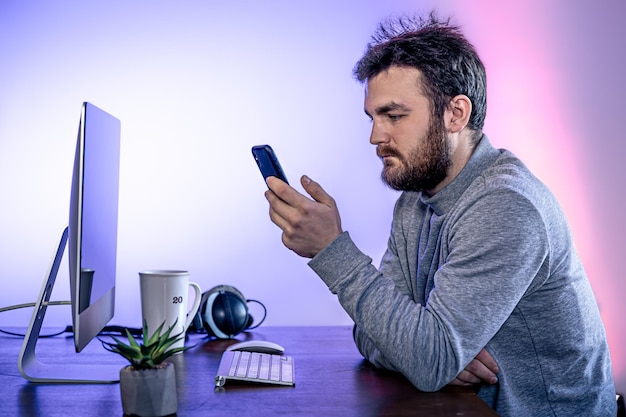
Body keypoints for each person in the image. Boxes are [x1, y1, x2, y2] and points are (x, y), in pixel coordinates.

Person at [263, 12, 616, 417]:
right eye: (373, 117)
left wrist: (331, 249)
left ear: (456, 114)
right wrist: (427, 356)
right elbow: (375, 333)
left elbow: (425, 357)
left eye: (394, 115)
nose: (375, 136)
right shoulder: (414, 201)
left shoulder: (505, 204)